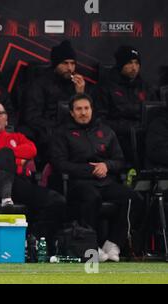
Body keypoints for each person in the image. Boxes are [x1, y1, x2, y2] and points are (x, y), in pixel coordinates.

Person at [51, 93, 143, 262]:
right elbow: (60, 164)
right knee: (92, 197)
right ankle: (91, 246)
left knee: (133, 197)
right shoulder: (62, 133)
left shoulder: (105, 130)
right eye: (79, 109)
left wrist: (107, 166)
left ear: (92, 110)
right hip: (78, 183)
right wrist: (89, 170)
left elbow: (120, 160)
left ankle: (113, 243)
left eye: (86, 108)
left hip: (105, 181)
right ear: (71, 112)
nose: (83, 113)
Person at [0, 99, 66, 254]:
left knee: (56, 201)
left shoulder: (17, 137)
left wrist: (8, 155)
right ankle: (6, 198)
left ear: (6, 118)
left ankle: (31, 240)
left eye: (0, 113)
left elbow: (32, 149)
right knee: (4, 153)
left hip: (18, 184)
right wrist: (17, 159)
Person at [23, 40, 91, 158]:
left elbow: (87, 117)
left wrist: (80, 94)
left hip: (74, 130)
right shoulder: (39, 84)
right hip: (49, 132)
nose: (70, 68)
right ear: (56, 64)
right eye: (65, 63)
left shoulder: (79, 84)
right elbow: (31, 117)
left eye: (72, 63)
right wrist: (57, 128)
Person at [96, 45, 158, 164]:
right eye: (129, 63)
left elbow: (155, 115)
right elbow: (99, 119)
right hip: (118, 138)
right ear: (120, 64)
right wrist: (128, 129)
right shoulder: (105, 86)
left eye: (136, 63)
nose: (134, 67)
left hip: (144, 137)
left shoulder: (146, 87)